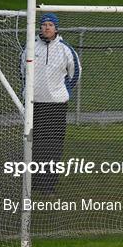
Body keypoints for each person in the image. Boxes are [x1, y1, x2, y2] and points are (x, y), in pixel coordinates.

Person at [20, 13, 81, 196]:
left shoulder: (65, 49)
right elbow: (22, 71)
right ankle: (32, 182)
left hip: (55, 105)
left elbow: (75, 73)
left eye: (50, 25)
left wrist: (64, 91)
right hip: (34, 104)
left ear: (56, 28)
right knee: (33, 144)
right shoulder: (30, 48)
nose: (47, 27)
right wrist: (28, 91)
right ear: (40, 27)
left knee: (53, 145)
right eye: (44, 24)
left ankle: (48, 185)